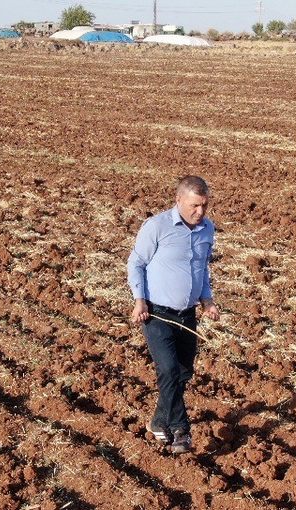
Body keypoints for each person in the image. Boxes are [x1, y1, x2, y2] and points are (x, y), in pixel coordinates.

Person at [127, 175, 220, 454]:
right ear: (178, 200)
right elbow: (136, 263)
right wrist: (139, 300)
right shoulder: (156, 226)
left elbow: (202, 269)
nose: (200, 212)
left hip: (187, 314)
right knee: (167, 369)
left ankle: (158, 421)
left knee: (182, 371)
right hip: (157, 313)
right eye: (194, 205)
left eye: (204, 205)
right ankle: (181, 429)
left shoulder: (207, 230)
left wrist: (207, 301)